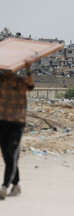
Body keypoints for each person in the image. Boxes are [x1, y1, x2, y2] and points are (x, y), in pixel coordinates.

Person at [0, 61, 34, 200]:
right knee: (7, 156)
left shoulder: (20, 81)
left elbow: (31, 86)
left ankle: (4, 186)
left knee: (12, 152)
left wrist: (28, 70)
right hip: (2, 121)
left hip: (17, 122)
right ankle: (16, 185)